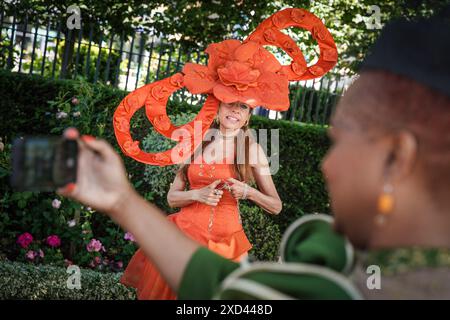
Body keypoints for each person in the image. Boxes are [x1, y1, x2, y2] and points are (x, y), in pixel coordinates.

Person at [59, 10, 450, 300]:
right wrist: (126, 200)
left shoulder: (338, 287)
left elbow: (224, 289)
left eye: (342, 140)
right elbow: (220, 286)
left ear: (397, 157)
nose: (327, 164)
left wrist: (122, 202)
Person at [111, 8, 337, 299]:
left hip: (224, 246)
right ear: (217, 107)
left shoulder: (252, 149)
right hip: (181, 238)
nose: (234, 109)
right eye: (229, 102)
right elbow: (171, 197)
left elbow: (276, 205)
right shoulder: (197, 141)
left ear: (247, 116)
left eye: (242, 106)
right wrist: (196, 195)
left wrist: (248, 191)